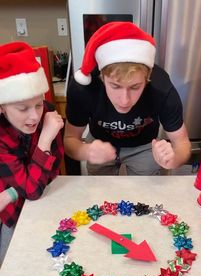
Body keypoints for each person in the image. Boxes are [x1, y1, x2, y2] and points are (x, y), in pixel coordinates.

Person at [64, 21, 191, 176]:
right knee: (99, 194)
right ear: (102, 77)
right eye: (115, 86)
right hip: (99, 142)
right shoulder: (83, 87)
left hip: (145, 145)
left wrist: (173, 159)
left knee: (147, 195)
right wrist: (86, 151)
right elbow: (70, 139)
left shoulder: (162, 89)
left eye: (135, 87)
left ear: (147, 78)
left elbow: (182, 144)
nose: (124, 101)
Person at [0, 41, 64, 265]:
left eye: (38, 105)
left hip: (33, 200)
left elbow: (52, 172)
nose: (35, 116)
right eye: (22, 108)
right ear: (1, 107)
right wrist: (45, 138)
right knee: (13, 265)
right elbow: (32, 189)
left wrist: (12, 192)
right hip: (10, 213)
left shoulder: (48, 112)